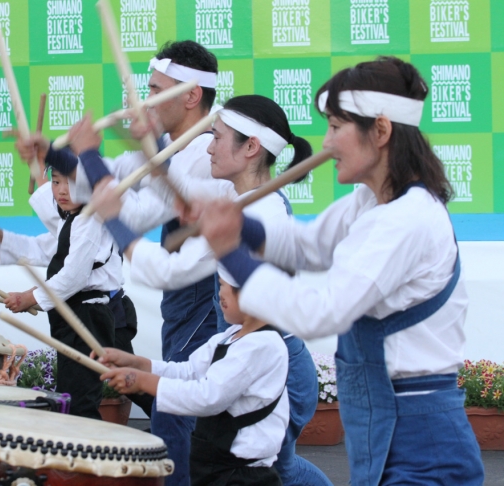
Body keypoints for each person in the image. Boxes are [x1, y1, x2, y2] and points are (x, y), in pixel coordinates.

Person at [198, 57, 485, 485]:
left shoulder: (407, 218)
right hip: (385, 421)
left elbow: (323, 312)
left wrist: (234, 254)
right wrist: (239, 225)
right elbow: (306, 246)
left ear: (382, 131)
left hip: (423, 438)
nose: (326, 142)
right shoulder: (369, 202)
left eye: (335, 127)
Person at [89, 94, 331, 485]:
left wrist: (116, 223)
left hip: (274, 361)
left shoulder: (256, 212)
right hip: (242, 345)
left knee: (273, 471)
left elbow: (169, 270)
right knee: (268, 471)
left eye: (217, 137)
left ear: (251, 147)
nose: (208, 146)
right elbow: (180, 189)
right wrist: (151, 146)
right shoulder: (236, 197)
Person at [18, 40, 221, 486]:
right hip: (184, 299)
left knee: (176, 418)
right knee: (191, 418)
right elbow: (105, 176)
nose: (145, 98)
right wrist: (52, 154)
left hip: (208, 299)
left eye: (155, 88)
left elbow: (130, 214)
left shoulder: (204, 152)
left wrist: (86, 154)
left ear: (190, 95)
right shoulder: (169, 145)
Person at [96, 268, 289, 486]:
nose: (219, 293)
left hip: (243, 476)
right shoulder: (229, 336)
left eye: (225, 286)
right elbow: (189, 372)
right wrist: (140, 364)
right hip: (215, 468)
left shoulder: (263, 345)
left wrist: (141, 381)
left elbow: (208, 397)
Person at [0, 167, 120, 420]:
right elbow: (40, 248)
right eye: (55, 182)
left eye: (71, 183)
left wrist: (30, 298)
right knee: (71, 395)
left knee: (80, 402)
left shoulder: (91, 223)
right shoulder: (74, 221)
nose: (62, 190)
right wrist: (0, 235)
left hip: (88, 318)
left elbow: (73, 277)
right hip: (73, 316)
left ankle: (87, 455)